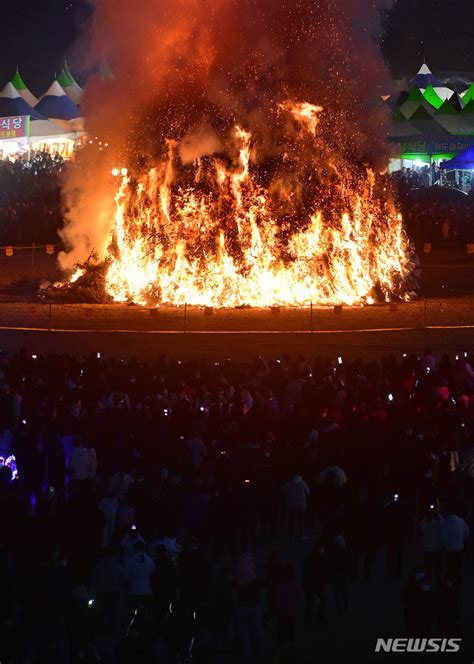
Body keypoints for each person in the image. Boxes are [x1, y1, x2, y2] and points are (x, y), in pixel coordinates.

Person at [126, 541, 155, 617]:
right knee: (146, 615)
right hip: (147, 591)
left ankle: (132, 628)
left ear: (135, 549)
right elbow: (152, 574)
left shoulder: (130, 561)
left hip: (133, 591)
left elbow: (127, 576)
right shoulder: (150, 561)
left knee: (132, 615)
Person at [419, 504, 444, 585]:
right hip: (437, 548)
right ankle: (438, 581)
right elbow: (443, 523)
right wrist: (438, 514)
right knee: (438, 567)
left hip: (427, 548)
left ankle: (428, 580)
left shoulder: (424, 523)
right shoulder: (439, 523)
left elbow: (421, 529)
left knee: (428, 567)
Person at [443, 506, 469, 583]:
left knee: (450, 566)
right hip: (459, 548)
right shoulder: (461, 521)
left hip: (450, 548)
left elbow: (443, 537)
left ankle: (450, 582)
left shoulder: (446, 522)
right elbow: (467, 532)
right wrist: (461, 539)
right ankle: (458, 581)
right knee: (458, 566)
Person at [283, 473, 310, 539]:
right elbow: (308, 492)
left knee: (291, 519)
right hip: (301, 504)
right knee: (301, 520)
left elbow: (284, 492)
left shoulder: (288, 483)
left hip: (291, 504)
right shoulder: (302, 483)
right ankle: (301, 534)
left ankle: (291, 533)